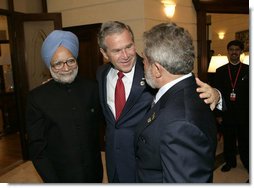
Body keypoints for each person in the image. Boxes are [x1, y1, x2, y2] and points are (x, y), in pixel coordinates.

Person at [96, 21, 220, 183]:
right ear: (104, 53)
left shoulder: (155, 70)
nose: (125, 55)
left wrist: (217, 94)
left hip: (146, 163)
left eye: (129, 46)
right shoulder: (102, 74)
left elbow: (185, 86)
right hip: (114, 161)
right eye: (117, 51)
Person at [134, 22, 217, 183]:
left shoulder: (180, 125)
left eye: (144, 59)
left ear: (157, 69)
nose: (142, 64)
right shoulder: (192, 89)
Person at [26, 30, 103, 183]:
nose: (66, 68)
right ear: (49, 65)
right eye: (58, 63)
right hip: (60, 176)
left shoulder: (92, 88)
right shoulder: (37, 98)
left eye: (70, 61)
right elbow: (37, 149)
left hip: (93, 173)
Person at [214, 40, 249, 173]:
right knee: (228, 139)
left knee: (245, 139)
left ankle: (247, 162)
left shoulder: (248, 70)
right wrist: (218, 114)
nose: (234, 52)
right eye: (231, 49)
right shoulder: (220, 71)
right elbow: (217, 94)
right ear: (228, 52)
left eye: (237, 49)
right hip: (227, 112)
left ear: (241, 52)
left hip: (245, 113)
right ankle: (230, 162)